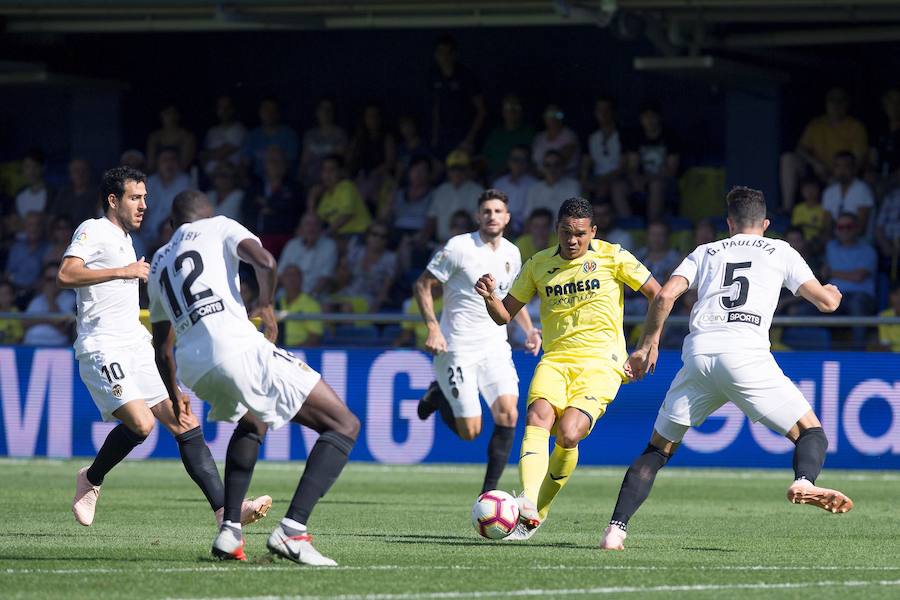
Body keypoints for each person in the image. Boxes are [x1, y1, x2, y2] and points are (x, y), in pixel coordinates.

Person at [599, 186, 853, 552]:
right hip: (746, 354)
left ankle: (615, 531)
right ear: (765, 223)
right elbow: (827, 303)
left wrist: (646, 344)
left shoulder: (706, 251)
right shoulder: (781, 250)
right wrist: (833, 290)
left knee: (656, 451)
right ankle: (803, 480)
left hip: (699, 354)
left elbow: (665, 296)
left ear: (730, 223)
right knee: (811, 434)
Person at [148, 190, 359, 565]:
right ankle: (293, 531)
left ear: (172, 224)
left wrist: (175, 391)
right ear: (207, 213)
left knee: (253, 422)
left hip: (195, 367)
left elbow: (161, 348)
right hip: (237, 348)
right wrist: (265, 304)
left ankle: (230, 530)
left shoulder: (160, 262)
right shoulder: (220, 226)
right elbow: (265, 260)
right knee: (343, 424)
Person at [58, 167, 270, 528]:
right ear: (113, 200)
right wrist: (123, 272)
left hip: (136, 346)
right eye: (135, 198)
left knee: (183, 420)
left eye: (145, 198)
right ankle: (91, 479)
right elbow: (66, 274)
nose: (143, 205)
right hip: (102, 347)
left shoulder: (127, 241)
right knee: (142, 425)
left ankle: (227, 514)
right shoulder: (93, 229)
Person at [475, 197, 660, 540]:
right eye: (565, 232)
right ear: (556, 230)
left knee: (569, 433)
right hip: (556, 359)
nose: (572, 240)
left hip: (602, 363)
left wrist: (649, 343)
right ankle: (526, 501)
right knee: (537, 417)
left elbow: (657, 294)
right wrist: (490, 298)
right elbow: (505, 316)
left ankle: (538, 511)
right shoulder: (538, 265)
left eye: (579, 234)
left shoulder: (612, 256)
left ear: (593, 231)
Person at [415, 189, 541, 493]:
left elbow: (512, 300)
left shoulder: (512, 252)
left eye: (498, 211)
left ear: (507, 217)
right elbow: (422, 284)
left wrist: (529, 330)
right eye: (487, 211)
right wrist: (434, 328)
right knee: (471, 431)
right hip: (457, 347)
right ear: (478, 216)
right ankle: (439, 394)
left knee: (509, 413)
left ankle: (489, 494)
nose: (492, 216)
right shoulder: (459, 247)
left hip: (495, 346)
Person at [780, 87, 868, 212]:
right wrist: (815, 163)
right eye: (832, 101)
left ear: (847, 104)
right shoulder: (817, 124)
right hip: (818, 172)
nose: (835, 105)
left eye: (840, 101)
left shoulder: (855, 127)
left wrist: (838, 173)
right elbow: (800, 149)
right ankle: (787, 208)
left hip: (840, 175)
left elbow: (858, 161)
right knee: (788, 159)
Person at [823, 212, 877, 348]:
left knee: (856, 304)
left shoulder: (868, 250)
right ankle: (810, 354)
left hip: (861, 296)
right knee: (805, 309)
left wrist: (832, 272)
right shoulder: (830, 247)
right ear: (836, 230)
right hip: (834, 296)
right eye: (841, 227)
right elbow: (824, 273)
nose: (845, 230)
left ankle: (858, 352)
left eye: (849, 227)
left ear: (857, 228)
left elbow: (858, 277)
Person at [429, 34, 486, 157]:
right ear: (436, 55)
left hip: (464, 135)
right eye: (441, 52)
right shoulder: (434, 76)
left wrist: (469, 139)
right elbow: (436, 108)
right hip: (444, 137)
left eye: (448, 52)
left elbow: (481, 111)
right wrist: (435, 137)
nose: (445, 57)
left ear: (454, 54)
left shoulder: (466, 76)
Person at [426, 150, 484, 243]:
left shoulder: (478, 191)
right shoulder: (440, 190)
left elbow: (482, 223)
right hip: (442, 243)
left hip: (468, 244)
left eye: (461, 169)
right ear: (448, 170)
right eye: (453, 168)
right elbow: (432, 219)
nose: (457, 172)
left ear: (468, 169)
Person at [277, 212, 338, 299]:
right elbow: (280, 274)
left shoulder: (329, 246)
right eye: (308, 224)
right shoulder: (292, 245)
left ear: (320, 228)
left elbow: (325, 277)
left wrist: (308, 299)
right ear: (301, 228)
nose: (311, 228)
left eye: (315, 224)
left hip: (316, 296)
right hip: (288, 295)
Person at [821, 151, 874, 237]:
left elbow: (861, 227)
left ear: (854, 169)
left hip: (859, 242)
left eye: (846, 166)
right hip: (835, 241)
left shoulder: (863, 190)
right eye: (838, 166)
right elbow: (826, 225)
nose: (842, 171)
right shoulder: (829, 192)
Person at [298, 97, 348, 187]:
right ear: (317, 112)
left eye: (329, 109)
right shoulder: (310, 135)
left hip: (331, 183)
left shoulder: (340, 134)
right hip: (310, 181)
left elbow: (340, 161)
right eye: (322, 109)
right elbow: (304, 161)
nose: (325, 112)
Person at [22, 262, 75, 346]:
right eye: (49, 279)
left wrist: (50, 298)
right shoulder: (37, 300)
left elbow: (63, 328)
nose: (53, 283)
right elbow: (25, 323)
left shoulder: (70, 299)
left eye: (56, 278)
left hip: (55, 347)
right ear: (44, 280)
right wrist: (49, 320)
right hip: (30, 344)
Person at [482, 94, 535, 177]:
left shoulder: (529, 132)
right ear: (503, 112)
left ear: (521, 111)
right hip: (496, 176)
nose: (512, 111)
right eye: (508, 108)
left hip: (523, 176)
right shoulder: (496, 133)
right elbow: (486, 157)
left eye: (515, 108)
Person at [582, 96, 623, 200]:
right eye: (600, 110)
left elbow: (625, 166)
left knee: (604, 187)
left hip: (618, 179)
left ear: (613, 112)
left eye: (606, 110)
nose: (603, 113)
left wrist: (605, 179)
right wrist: (583, 179)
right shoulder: (591, 136)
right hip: (597, 178)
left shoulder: (623, 134)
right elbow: (585, 164)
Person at [492, 145, 538, 236]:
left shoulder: (534, 184)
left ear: (527, 163)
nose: (518, 163)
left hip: (526, 229)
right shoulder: (499, 184)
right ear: (509, 161)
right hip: (502, 226)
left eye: (522, 160)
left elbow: (532, 213)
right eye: (515, 159)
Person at [523, 150, 581, 218]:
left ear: (563, 166)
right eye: (548, 165)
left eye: (556, 165)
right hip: (539, 228)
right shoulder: (534, 189)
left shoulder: (574, 186)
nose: (552, 169)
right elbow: (528, 217)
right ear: (543, 168)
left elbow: (576, 216)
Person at [277, 265, 323, 347]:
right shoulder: (275, 303)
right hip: (276, 352)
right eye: (287, 275)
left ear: (301, 279)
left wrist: (294, 351)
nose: (291, 279)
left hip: (299, 353)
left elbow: (315, 337)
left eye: (295, 275)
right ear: (282, 279)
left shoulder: (311, 304)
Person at [200, 95, 246, 178]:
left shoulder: (239, 129)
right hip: (210, 178)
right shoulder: (212, 131)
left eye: (227, 108)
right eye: (221, 108)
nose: (224, 111)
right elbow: (202, 157)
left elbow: (220, 154)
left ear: (233, 109)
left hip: (231, 178)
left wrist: (208, 155)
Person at [146, 104, 197, 173]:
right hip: (158, 176)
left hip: (180, 176)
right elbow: (150, 164)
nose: (170, 116)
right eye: (167, 113)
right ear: (161, 115)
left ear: (178, 115)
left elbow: (185, 164)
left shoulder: (187, 136)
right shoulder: (154, 137)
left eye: (173, 113)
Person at [50, 158, 100, 224]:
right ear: (70, 174)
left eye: (83, 171)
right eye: (76, 171)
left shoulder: (97, 194)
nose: (80, 174)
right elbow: (53, 217)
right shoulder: (63, 193)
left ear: (89, 172)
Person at [15, 149, 53, 218]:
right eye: (27, 167)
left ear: (42, 168)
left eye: (35, 166)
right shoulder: (19, 195)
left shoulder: (51, 194)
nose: (31, 171)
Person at [876, 282, 900, 352]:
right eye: (896, 294)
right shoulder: (884, 316)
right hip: (891, 358)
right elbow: (885, 345)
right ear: (890, 296)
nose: (899, 298)